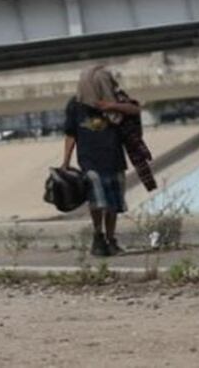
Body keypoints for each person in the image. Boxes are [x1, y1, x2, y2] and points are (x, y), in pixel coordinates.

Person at [62, 65, 142, 257]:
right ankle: (98, 236)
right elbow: (71, 135)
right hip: (90, 161)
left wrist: (111, 106)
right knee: (97, 202)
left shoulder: (116, 100)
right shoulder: (75, 105)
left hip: (114, 159)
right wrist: (65, 161)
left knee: (113, 204)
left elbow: (135, 109)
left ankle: (111, 239)